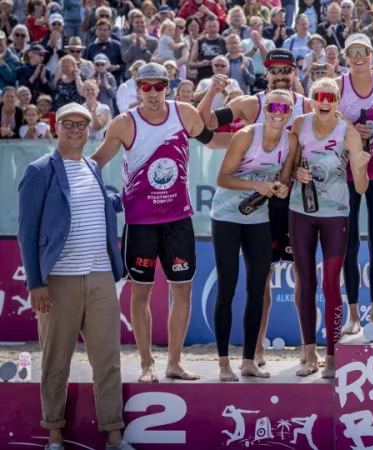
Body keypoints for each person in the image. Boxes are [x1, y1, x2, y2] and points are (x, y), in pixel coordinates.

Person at [90, 63, 230, 383]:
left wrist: (253, 139)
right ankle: (146, 364)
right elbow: (96, 162)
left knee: (182, 291)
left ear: (167, 86)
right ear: (137, 89)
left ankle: (174, 363)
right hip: (140, 223)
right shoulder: (125, 123)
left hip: (178, 220)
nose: (153, 93)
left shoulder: (184, 113)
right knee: (141, 293)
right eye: (146, 87)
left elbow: (212, 141)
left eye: (158, 86)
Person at [17, 103, 135, 450]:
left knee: (108, 360)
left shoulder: (92, 168)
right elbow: (27, 232)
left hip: (100, 278)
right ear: (57, 128)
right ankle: (54, 435)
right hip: (58, 281)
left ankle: (114, 436)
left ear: (89, 132)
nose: (75, 130)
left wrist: (122, 197)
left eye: (81, 125)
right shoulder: (38, 171)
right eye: (68, 124)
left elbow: (100, 204)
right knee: (55, 361)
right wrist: (35, 283)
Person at [197, 49, 312, 367]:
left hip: (294, 198)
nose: (280, 75)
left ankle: (307, 350)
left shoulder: (308, 107)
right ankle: (256, 351)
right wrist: (214, 92)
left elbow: (332, 137)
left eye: (286, 70)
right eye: (274, 70)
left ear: (295, 73)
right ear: (266, 73)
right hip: (259, 203)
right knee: (261, 280)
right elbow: (206, 125)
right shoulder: (251, 104)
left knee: (303, 275)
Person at [209, 87, 295, 382]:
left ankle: (248, 361)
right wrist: (256, 186)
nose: (277, 113)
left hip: (258, 218)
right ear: (265, 109)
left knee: (257, 291)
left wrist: (280, 188)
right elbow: (223, 178)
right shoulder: (246, 135)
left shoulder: (290, 141)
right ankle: (223, 363)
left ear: (291, 113)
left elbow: (283, 181)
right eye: (272, 107)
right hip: (226, 216)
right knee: (227, 289)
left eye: (284, 108)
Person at [290, 77, 370, 378]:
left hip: (336, 214)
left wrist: (361, 166)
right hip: (301, 213)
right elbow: (289, 169)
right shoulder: (299, 124)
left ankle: (333, 355)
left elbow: (361, 188)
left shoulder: (348, 133)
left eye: (331, 97)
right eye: (319, 96)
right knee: (306, 282)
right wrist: (296, 171)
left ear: (338, 102)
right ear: (311, 99)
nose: (325, 101)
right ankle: (309, 354)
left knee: (330, 283)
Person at [335, 33, 373, 335]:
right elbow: (325, 121)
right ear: (346, 57)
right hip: (348, 173)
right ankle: (353, 316)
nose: (358, 57)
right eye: (352, 52)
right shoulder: (338, 85)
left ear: (372, 53)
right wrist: (349, 128)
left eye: (363, 51)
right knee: (350, 243)